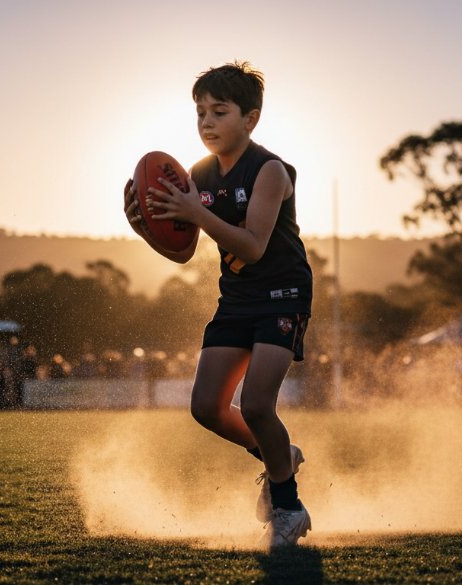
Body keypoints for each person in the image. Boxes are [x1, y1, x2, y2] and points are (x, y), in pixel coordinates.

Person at [123, 61, 313, 548]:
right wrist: (145, 227)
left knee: (254, 403)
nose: (206, 122)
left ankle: (287, 506)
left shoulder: (270, 170)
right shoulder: (199, 174)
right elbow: (183, 252)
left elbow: (251, 246)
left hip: (282, 294)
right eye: (200, 112)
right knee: (207, 407)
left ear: (249, 120)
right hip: (238, 298)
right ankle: (280, 457)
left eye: (219, 112)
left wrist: (195, 210)